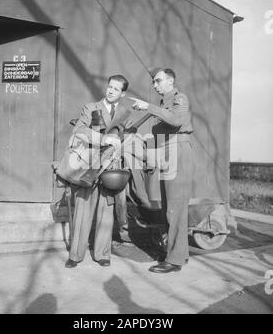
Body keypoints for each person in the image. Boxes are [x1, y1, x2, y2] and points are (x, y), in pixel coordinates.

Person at [128, 68, 194, 273]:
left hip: (178, 152)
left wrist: (148, 106)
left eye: (158, 81)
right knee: (170, 208)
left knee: (176, 209)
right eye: (153, 82)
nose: (154, 85)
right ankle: (179, 255)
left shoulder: (179, 98)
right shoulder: (163, 104)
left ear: (170, 80)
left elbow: (176, 120)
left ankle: (174, 261)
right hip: (167, 152)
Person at [65, 74, 130, 268]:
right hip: (89, 165)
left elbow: (128, 135)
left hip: (111, 167)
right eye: (109, 87)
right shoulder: (91, 107)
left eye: (116, 89)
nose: (111, 91)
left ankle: (102, 254)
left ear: (122, 93)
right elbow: (79, 131)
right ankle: (75, 255)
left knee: (106, 210)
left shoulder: (126, 113)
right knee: (83, 209)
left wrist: (122, 148)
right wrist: (103, 139)